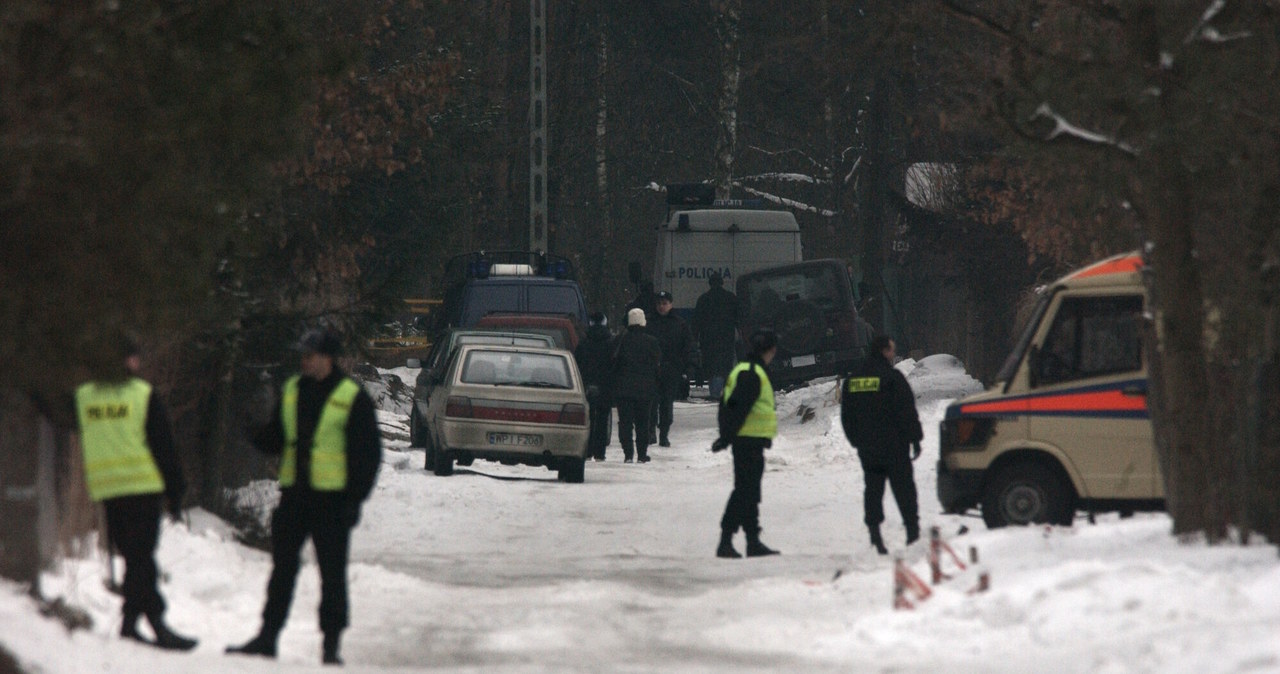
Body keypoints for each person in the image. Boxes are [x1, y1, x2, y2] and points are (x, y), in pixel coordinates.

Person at [227, 328, 382, 665]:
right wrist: (254, 432)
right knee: (282, 570)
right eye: (303, 355)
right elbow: (279, 438)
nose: (304, 360)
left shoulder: (350, 395)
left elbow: (367, 454)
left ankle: (331, 647)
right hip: (295, 497)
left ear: (328, 358)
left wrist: (355, 499)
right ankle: (267, 637)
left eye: (309, 355)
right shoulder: (293, 390)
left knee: (332, 575)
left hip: (332, 503)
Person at [74, 335, 198, 651]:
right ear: (129, 361)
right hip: (142, 489)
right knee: (141, 559)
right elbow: (164, 447)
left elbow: (60, 415)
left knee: (134, 558)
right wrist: (176, 490)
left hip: (109, 491)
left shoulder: (84, 396)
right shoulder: (141, 395)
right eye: (134, 357)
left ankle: (130, 624)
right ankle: (157, 623)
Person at [840, 335, 924, 555]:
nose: (893, 354)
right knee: (904, 489)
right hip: (895, 446)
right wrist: (915, 438)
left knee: (873, 489)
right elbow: (907, 411)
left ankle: (875, 535)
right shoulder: (892, 378)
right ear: (884, 351)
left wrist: (856, 440)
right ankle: (912, 533)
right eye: (892, 350)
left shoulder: (854, 380)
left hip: (869, 448)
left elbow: (847, 415)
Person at [710, 329, 781, 559]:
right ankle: (726, 540)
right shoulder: (752, 373)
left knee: (749, 491)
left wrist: (726, 435)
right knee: (744, 492)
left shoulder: (743, 369)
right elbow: (738, 408)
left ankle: (752, 541)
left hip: (750, 441)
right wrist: (727, 437)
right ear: (769, 350)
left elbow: (725, 406)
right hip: (747, 441)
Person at [610, 308, 661, 463]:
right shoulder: (652, 342)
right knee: (642, 422)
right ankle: (642, 454)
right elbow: (657, 366)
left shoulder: (620, 341)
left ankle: (628, 454)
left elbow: (613, 364)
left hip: (623, 390)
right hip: (645, 390)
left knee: (625, 423)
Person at [648, 290, 696, 447]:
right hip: (652, 370)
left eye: (664, 303)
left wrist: (688, 369)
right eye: (659, 304)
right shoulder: (649, 323)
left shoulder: (679, 324)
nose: (662, 307)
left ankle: (664, 434)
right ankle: (650, 432)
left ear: (671, 304)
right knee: (651, 403)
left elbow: (688, 348)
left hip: (672, 370)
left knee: (667, 404)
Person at [692, 271, 740, 400]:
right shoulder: (731, 298)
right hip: (726, 339)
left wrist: (695, 340)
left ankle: (715, 392)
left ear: (710, 283)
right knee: (725, 365)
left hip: (708, 340)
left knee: (712, 367)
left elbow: (696, 322)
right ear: (722, 283)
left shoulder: (703, 299)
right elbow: (738, 319)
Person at [574, 312, 614, 461]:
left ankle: (588, 450)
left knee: (588, 418)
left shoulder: (584, 342)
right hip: (605, 385)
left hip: (587, 385)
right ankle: (600, 453)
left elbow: (577, 364)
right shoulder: (611, 342)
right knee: (603, 419)